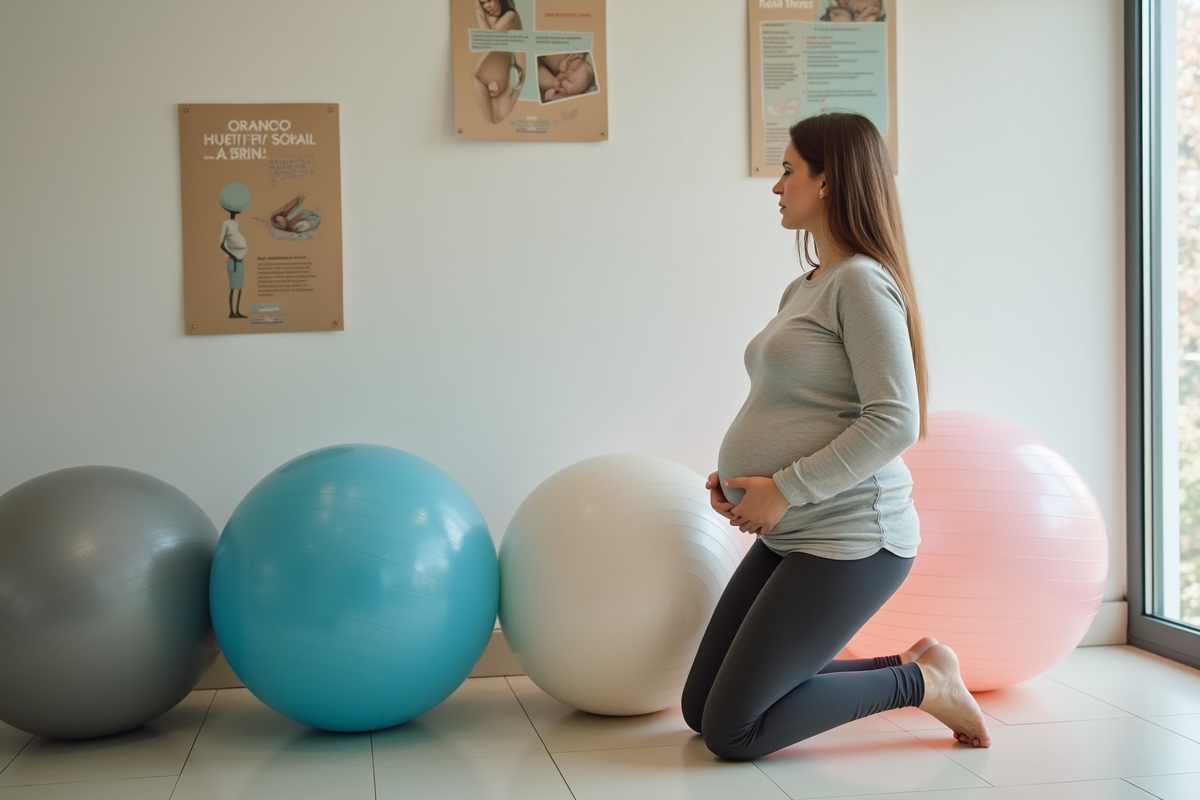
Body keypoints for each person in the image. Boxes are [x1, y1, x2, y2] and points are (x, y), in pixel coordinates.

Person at [681, 112, 990, 762]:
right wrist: (736, 482)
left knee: (732, 732)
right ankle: (913, 666)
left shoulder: (862, 282)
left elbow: (895, 417)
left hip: (851, 538)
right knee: (699, 707)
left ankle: (923, 683)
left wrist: (785, 488)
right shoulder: (804, 287)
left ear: (827, 181)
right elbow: (791, 402)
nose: (776, 186)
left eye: (788, 170)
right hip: (791, 530)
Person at [472, 0, 525, 123]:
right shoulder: (483, 14)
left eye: (489, 1)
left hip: (501, 76)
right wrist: (479, 13)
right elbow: (487, 42)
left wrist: (481, 14)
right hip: (481, 75)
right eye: (482, 3)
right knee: (490, 122)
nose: (486, 6)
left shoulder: (511, 15)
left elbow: (490, 39)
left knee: (496, 120)